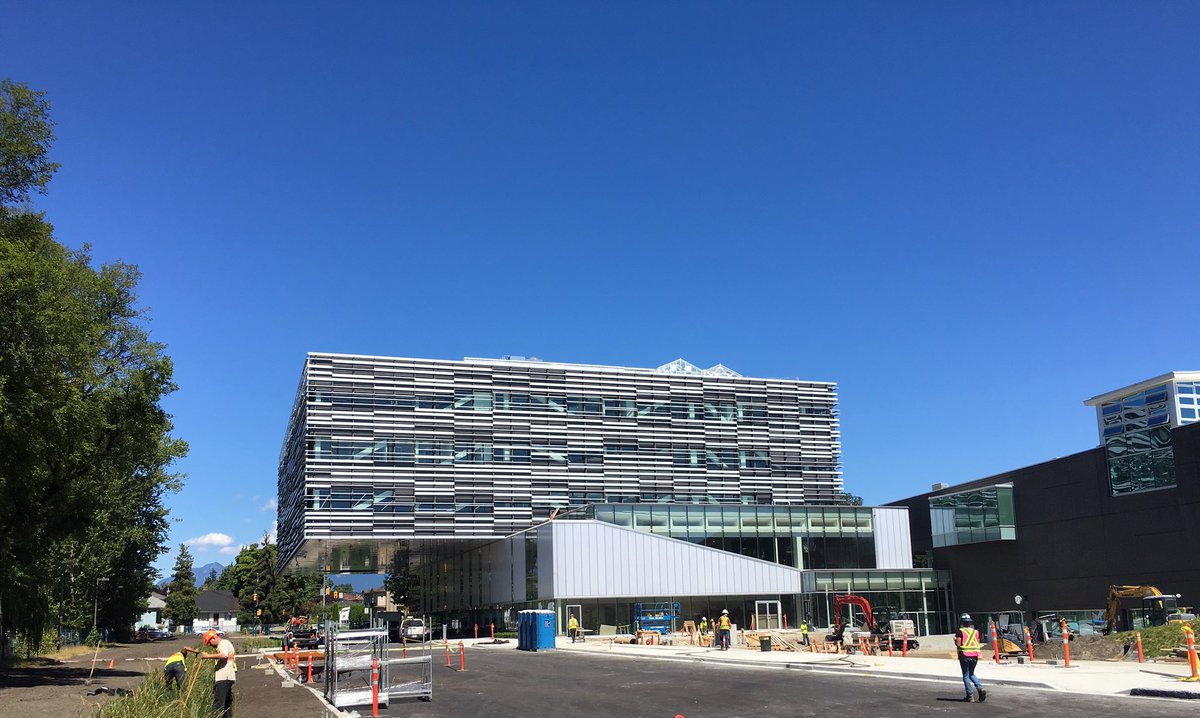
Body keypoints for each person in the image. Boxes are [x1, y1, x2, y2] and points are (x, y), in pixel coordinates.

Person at [199, 629, 237, 718]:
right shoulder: (224, 644)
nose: (210, 645)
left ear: (213, 638)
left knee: (218, 705)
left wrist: (207, 656)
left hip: (224, 678)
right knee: (227, 705)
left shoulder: (223, 643)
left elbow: (224, 655)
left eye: (209, 643)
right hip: (228, 677)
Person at [954, 614, 986, 703]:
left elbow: (959, 644)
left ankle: (970, 696)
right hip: (975, 655)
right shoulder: (975, 632)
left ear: (962, 622)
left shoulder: (960, 631)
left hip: (964, 655)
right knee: (971, 674)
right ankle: (980, 688)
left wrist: (954, 640)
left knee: (966, 675)